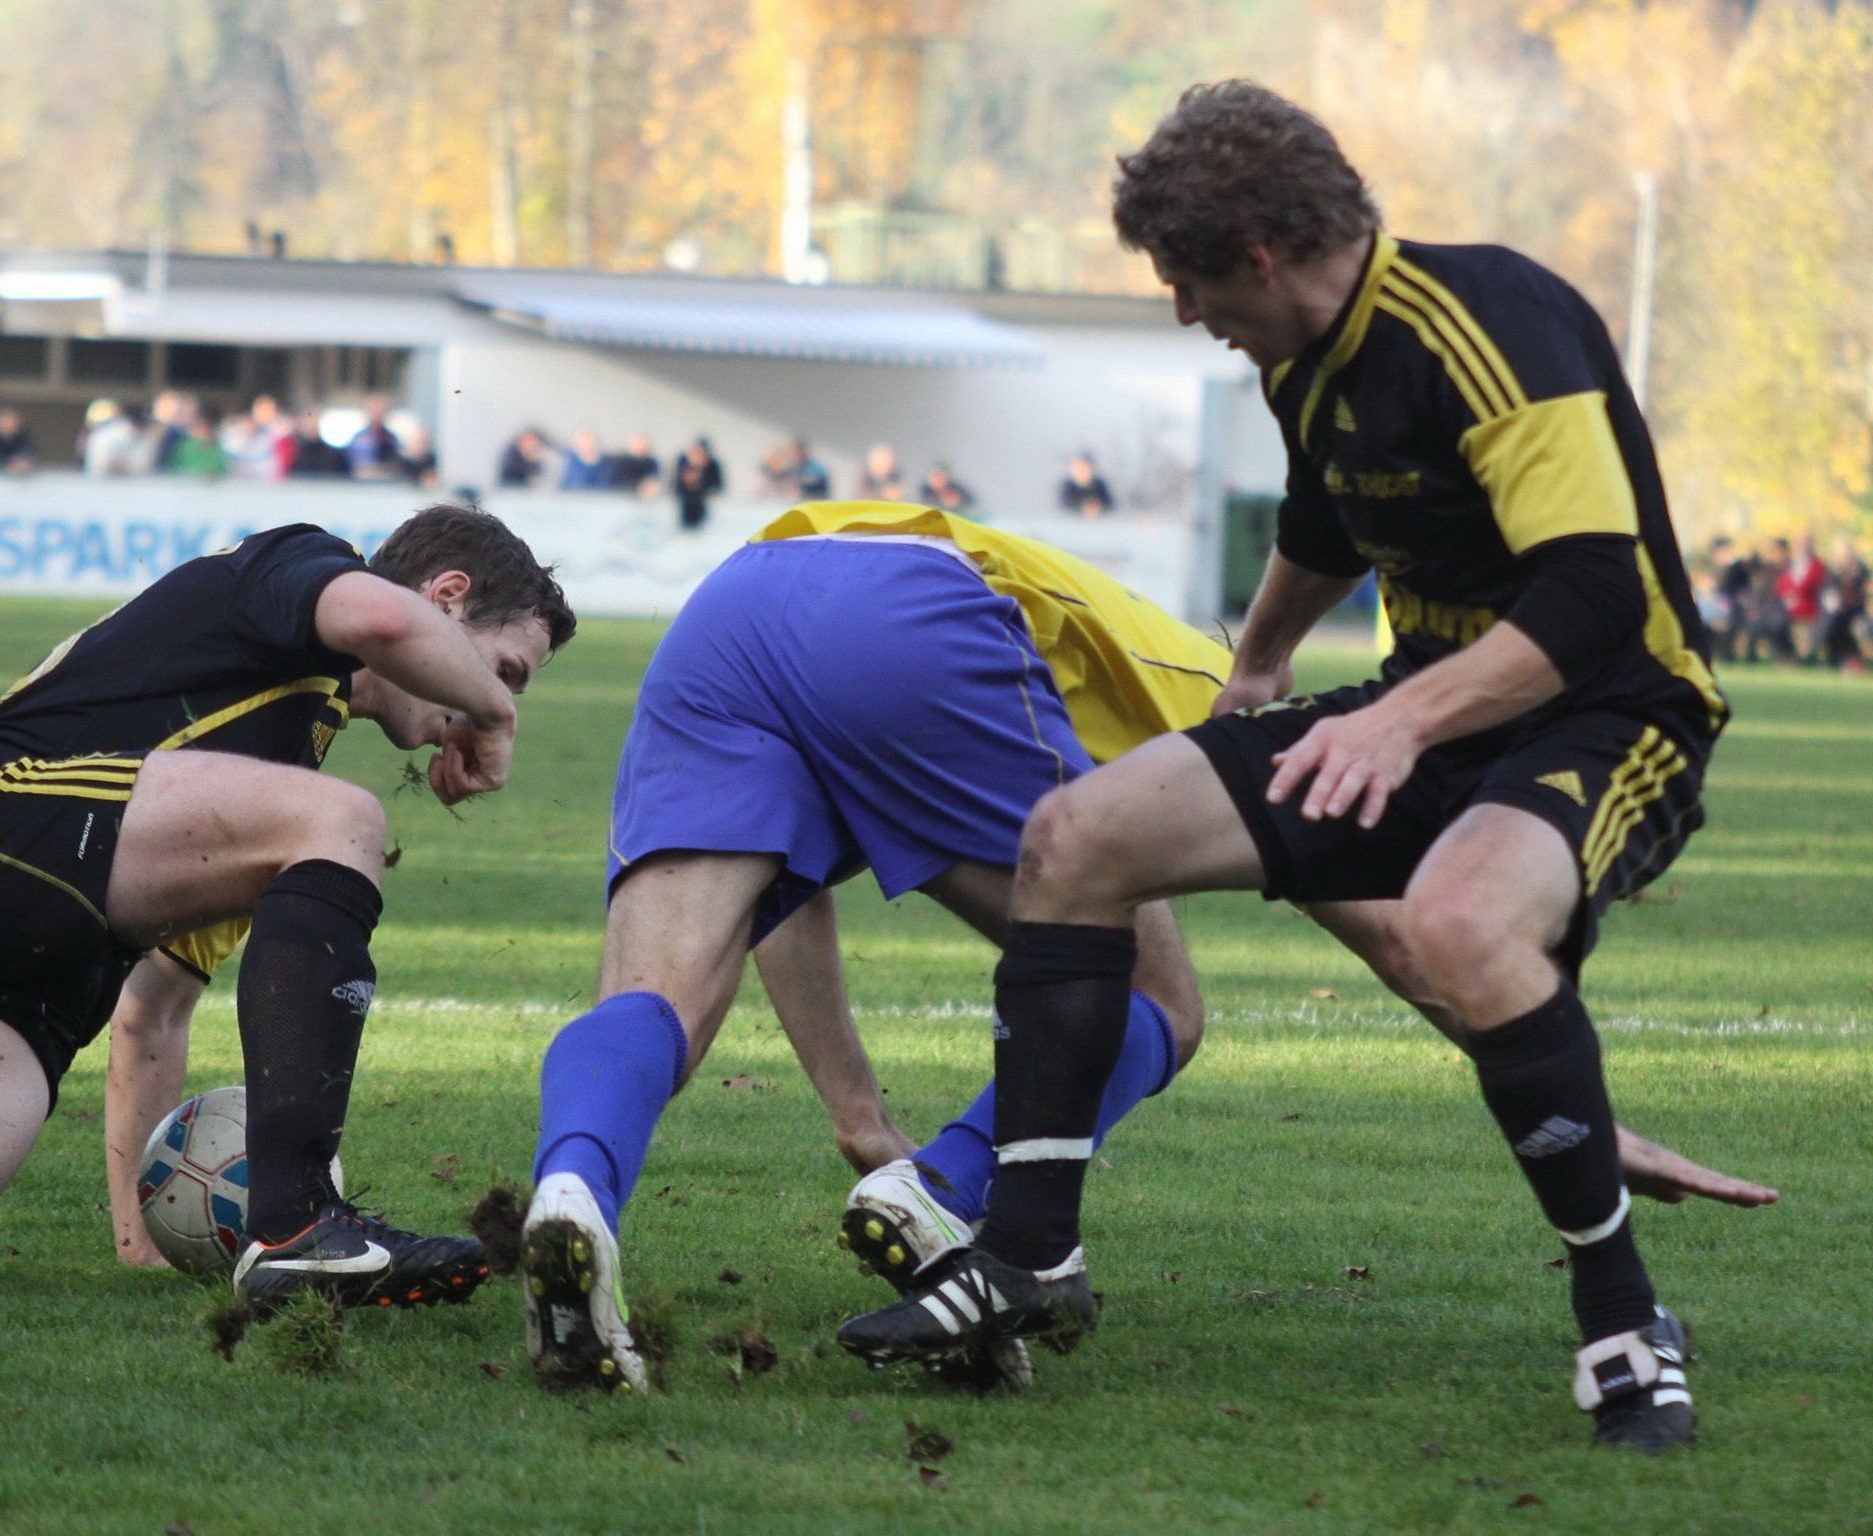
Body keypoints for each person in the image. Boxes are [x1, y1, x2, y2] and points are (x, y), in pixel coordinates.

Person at [842, 82, 1733, 1452]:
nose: (1187, 314)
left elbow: (1596, 597)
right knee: (1075, 838)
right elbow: (1327, 514)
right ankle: (1025, 1260)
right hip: (1424, 707)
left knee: (1460, 921)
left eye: (1188, 283)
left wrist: (1398, 724)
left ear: (1256, 254)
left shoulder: (1496, 327)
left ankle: (1626, 1326)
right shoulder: (1301, 355)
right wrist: (1258, 666)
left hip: (1612, 714)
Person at [519, 500, 1771, 1395]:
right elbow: (1381, 917)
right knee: (1157, 1000)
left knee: (658, 994)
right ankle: (948, 1184)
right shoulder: (1199, 669)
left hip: (733, 603)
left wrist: (856, 1110)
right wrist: (1542, 1072)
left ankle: (572, 1190)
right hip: (904, 610)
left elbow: (785, 905)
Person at [0, 505, 574, 1313]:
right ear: (448, 596)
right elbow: (384, 618)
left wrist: (141, 1243)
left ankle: (294, 1229)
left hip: (10, 970)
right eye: (503, 670)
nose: (488, 703)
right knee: (346, 817)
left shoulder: (270, 814)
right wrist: (496, 716)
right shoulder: (304, 563)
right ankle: (300, 1225)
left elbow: (155, 1010)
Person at [1776, 534, 1827, 663]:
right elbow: (1780, 587)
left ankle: (1806, 658)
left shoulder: (1819, 567)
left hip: (1810, 611)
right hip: (1786, 612)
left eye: (1805, 544)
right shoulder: (1788, 565)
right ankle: (1786, 656)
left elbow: (1819, 590)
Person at [1822, 538, 1868, 671]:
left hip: (1856, 612)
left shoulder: (1861, 571)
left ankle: (1854, 660)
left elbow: (1863, 593)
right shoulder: (1833, 572)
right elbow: (1828, 593)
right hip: (1837, 613)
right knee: (1830, 625)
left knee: (1856, 627)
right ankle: (1835, 659)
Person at [346, 395, 404, 480]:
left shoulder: (392, 439)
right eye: (373, 410)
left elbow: (396, 465)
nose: (377, 414)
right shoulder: (359, 439)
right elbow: (358, 467)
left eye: (380, 410)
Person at [672, 437, 723, 531]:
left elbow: (718, 487)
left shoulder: (713, 466)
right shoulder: (682, 462)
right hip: (685, 508)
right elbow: (675, 486)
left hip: (704, 508)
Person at [286, 409, 352, 479]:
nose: (312, 425)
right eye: (309, 422)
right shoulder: (297, 454)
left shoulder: (335, 455)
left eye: (315, 422)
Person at [1059, 452, 1114, 517]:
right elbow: (1064, 506)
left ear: (1091, 469)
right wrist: (1082, 507)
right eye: (1078, 468)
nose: (1081, 471)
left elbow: (1109, 504)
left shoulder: (1100, 485)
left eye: (1084, 467)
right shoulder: (1067, 487)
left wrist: (1097, 506)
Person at [0, 408, 37, 474]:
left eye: (10, 422)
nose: (7, 425)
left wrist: (22, 462)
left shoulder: (23, 437)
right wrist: (6, 464)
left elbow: (30, 453)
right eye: (4, 422)